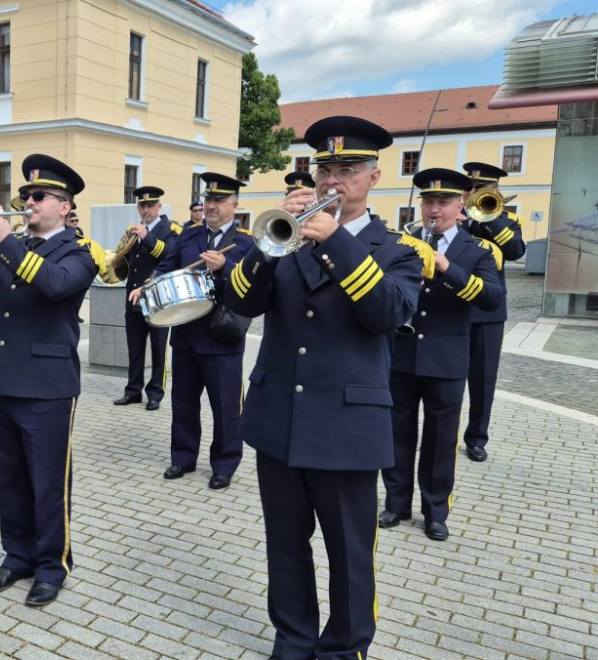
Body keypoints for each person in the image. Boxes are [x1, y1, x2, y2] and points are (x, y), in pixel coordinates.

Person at [219, 116, 426, 659]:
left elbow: (387, 313)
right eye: (325, 168)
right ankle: (292, 639)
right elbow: (240, 302)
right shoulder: (286, 240)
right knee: (285, 547)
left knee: (350, 553)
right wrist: (267, 245)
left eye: (348, 170)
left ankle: (344, 649)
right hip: (278, 421)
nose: (334, 180)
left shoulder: (395, 249)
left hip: (346, 427)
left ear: (373, 177)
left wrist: (334, 240)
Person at [0, 154, 98, 608]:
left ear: (64, 205)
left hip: (48, 385)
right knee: (9, 478)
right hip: (4, 379)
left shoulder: (79, 251)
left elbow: (55, 286)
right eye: (25, 196)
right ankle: (17, 555)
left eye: (38, 196)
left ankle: (52, 565)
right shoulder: (15, 243)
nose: (28, 202)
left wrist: (4, 239)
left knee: (48, 482)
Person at [381, 168, 503, 542]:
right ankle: (396, 502)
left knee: (440, 441)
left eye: (443, 202)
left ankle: (435, 510)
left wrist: (446, 266)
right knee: (397, 434)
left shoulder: (479, 249)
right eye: (428, 201)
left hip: (446, 359)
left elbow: (491, 298)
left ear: (460, 204)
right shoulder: (403, 242)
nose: (435, 209)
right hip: (402, 355)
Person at [130, 173, 252, 488]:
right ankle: (183, 458)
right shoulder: (189, 235)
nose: (211, 206)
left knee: (226, 407)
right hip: (185, 333)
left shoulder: (247, 242)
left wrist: (225, 270)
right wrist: (150, 282)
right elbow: (167, 265)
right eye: (208, 200)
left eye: (219, 200)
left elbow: (252, 289)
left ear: (235, 205)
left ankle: (224, 464)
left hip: (223, 337)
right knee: (183, 402)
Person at [459, 161, 526, 462]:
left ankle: (476, 438)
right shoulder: (454, 216)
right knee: (445, 375)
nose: (473, 193)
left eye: (480, 189)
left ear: (495, 191)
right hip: (455, 307)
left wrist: (488, 215)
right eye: (470, 188)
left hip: (488, 314)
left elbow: (515, 251)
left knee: (483, 379)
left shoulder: (507, 221)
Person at [116, 186, 179, 410]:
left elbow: (169, 256)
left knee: (158, 349)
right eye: (142, 206)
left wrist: (147, 236)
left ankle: (155, 393)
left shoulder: (170, 229)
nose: (146, 210)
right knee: (134, 348)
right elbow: (127, 263)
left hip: (158, 299)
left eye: (151, 205)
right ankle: (133, 391)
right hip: (133, 298)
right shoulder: (133, 229)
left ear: (159, 206)